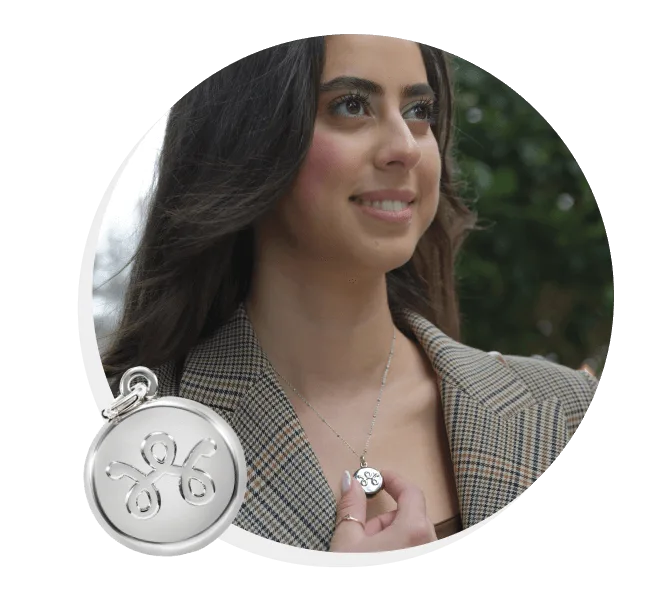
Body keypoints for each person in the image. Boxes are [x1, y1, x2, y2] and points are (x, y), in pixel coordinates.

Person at [100, 33, 599, 553]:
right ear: (247, 139)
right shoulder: (130, 440)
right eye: (352, 105)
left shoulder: (566, 411)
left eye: (418, 109)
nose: (406, 145)